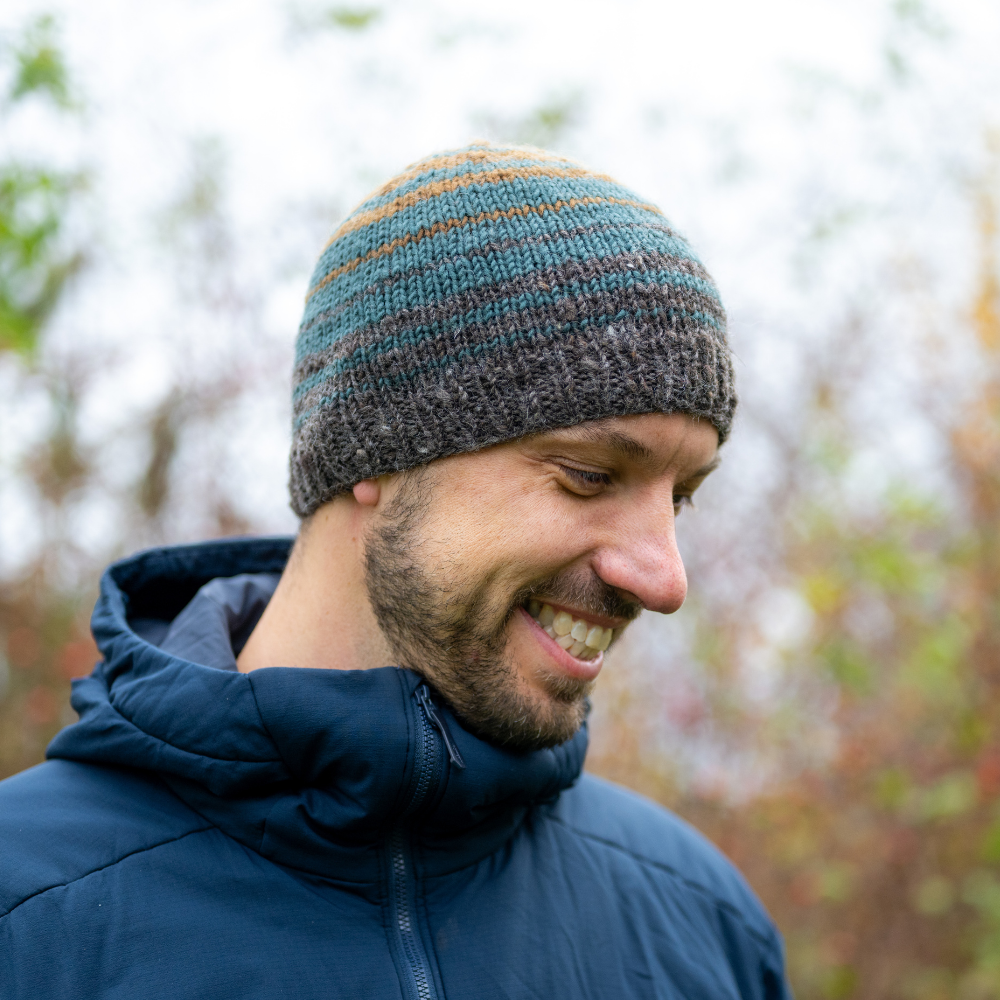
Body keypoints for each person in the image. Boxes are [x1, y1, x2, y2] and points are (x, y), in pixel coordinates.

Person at [0, 142, 791, 999]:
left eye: (679, 498)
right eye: (590, 475)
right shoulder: (29, 912)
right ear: (374, 456)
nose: (664, 581)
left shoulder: (704, 925)